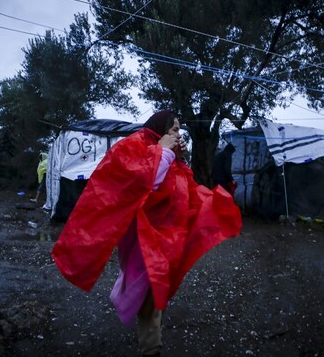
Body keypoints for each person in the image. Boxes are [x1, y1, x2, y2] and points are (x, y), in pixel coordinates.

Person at [52, 111, 242, 357]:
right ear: (160, 128)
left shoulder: (158, 147)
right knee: (152, 285)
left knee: (155, 284)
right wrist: (163, 151)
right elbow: (147, 182)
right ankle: (151, 347)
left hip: (164, 232)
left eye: (179, 130)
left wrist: (176, 156)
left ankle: (143, 322)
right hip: (143, 236)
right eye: (174, 129)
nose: (178, 134)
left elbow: (177, 182)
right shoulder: (133, 145)